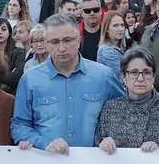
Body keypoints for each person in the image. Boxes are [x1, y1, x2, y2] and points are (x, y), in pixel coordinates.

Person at [12, 14, 125, 153]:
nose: (61, 48)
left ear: (78, 41)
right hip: (47, 162)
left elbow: (125, 114)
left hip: (95, 163)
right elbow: (19, 125)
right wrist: (44, 143)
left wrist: (112, 138)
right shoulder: (30, 79)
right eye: (54, 42)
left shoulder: (104, 76)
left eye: (67, 40)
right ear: (46, 44)